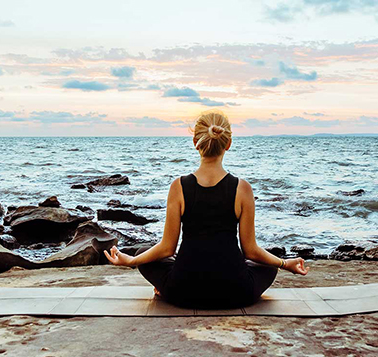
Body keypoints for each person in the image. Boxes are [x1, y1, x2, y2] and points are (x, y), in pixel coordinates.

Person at [104, 109, 309, 309]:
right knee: (269, 262)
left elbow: (167, 248)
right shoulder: (242, 188)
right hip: (236, 292)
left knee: (143, 253)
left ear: (195, 142)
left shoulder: (178, 187)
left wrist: (131, 260)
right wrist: (284, 263)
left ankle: (162, 287)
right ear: (228, 144)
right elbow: (250, 251)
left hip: (183, 292)